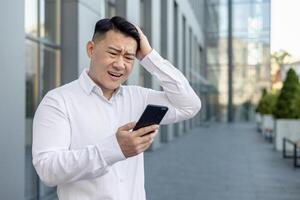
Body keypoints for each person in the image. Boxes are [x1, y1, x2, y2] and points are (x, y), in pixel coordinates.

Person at [32, 16, 201, 200]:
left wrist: (149, 56)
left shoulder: (138, 97)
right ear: (91, 49)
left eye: (129, 57)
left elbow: (189, 105)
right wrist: (114, 149)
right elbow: (47, 169)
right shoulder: (58, 101)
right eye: (113, 53)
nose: (120, 64)